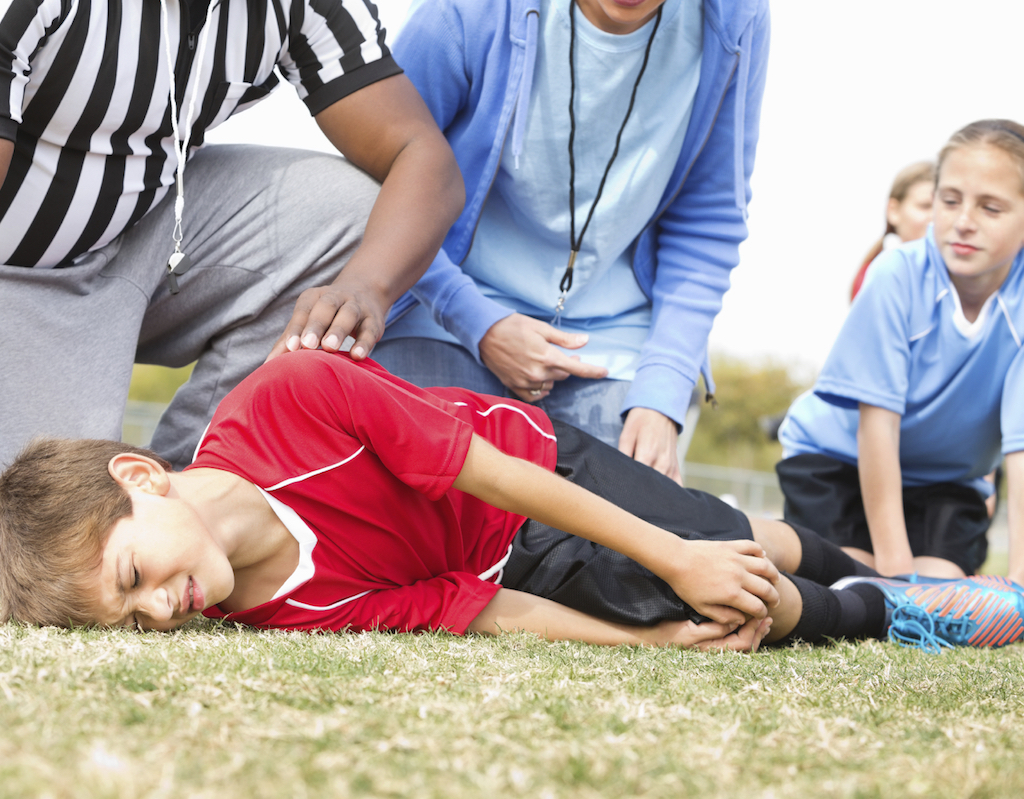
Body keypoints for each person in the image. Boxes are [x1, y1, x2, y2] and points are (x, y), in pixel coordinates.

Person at [3, 348, 1024, 655]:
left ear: (141, 475)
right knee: (731, 604)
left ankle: (864, 567)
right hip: (503, 559)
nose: (157, 608)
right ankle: (895, 611)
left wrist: (671, 552)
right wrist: (649, 640)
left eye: (132, 576)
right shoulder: (266, 605)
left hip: (537, 469)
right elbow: (472, 603)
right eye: (129, 617)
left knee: (712, 537)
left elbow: (492, 477)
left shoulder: (289, 400)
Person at [0, 0, 463, 471]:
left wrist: (365, 288)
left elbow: (422, 155)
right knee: (48, 520)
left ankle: (201, 478)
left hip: (139, 235)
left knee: (345, 210)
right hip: (16, 263)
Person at [369, 0, 769, 484]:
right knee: (423, 507)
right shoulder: (468, 12)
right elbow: (378, 180)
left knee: (640, 534)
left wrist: (662, 390)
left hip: (611, 340)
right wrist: (475, 319)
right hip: (442, 310)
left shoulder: (736, 18)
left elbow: (708, 220)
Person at [777, 120, 1024, 584]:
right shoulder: (895, 275)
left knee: (943, 584)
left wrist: (1021, 584)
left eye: (991, 207)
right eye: (948, 201)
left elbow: (1021, 447)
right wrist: (895, 576)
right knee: (856, 582)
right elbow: (877, 428)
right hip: (839, 465)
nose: (964, 221)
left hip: (944, 484)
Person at [850, 161, 936, 300]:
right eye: (925, 206)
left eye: (945, 206)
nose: (935, 218)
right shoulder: (877, 274)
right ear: (893, 211)